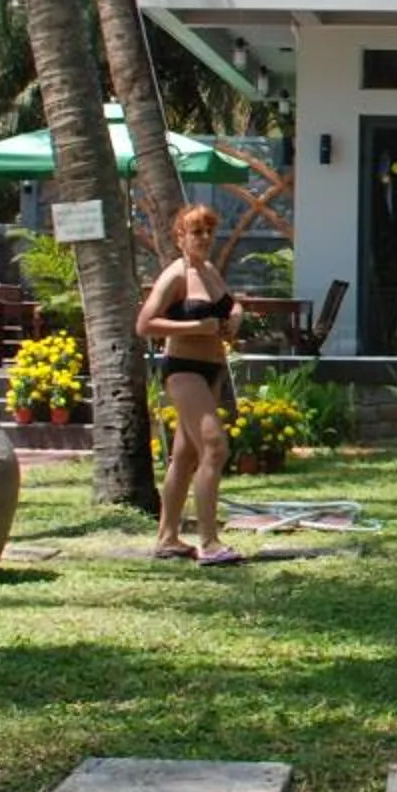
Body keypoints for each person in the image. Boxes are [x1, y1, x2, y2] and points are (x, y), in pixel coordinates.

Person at [138, 203, 243, 563]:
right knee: (214, 447)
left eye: (209, 231)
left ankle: (167, 538)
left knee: (184, 456)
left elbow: (231, 305)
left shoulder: (210, 271)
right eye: (196, 232)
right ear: (180, 237)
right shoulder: (176, 275)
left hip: (212, 368)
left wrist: (236, 318)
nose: (204, 238)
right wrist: (195, 327)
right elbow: (145, 324)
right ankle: (209, 542)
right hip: (184, 369)